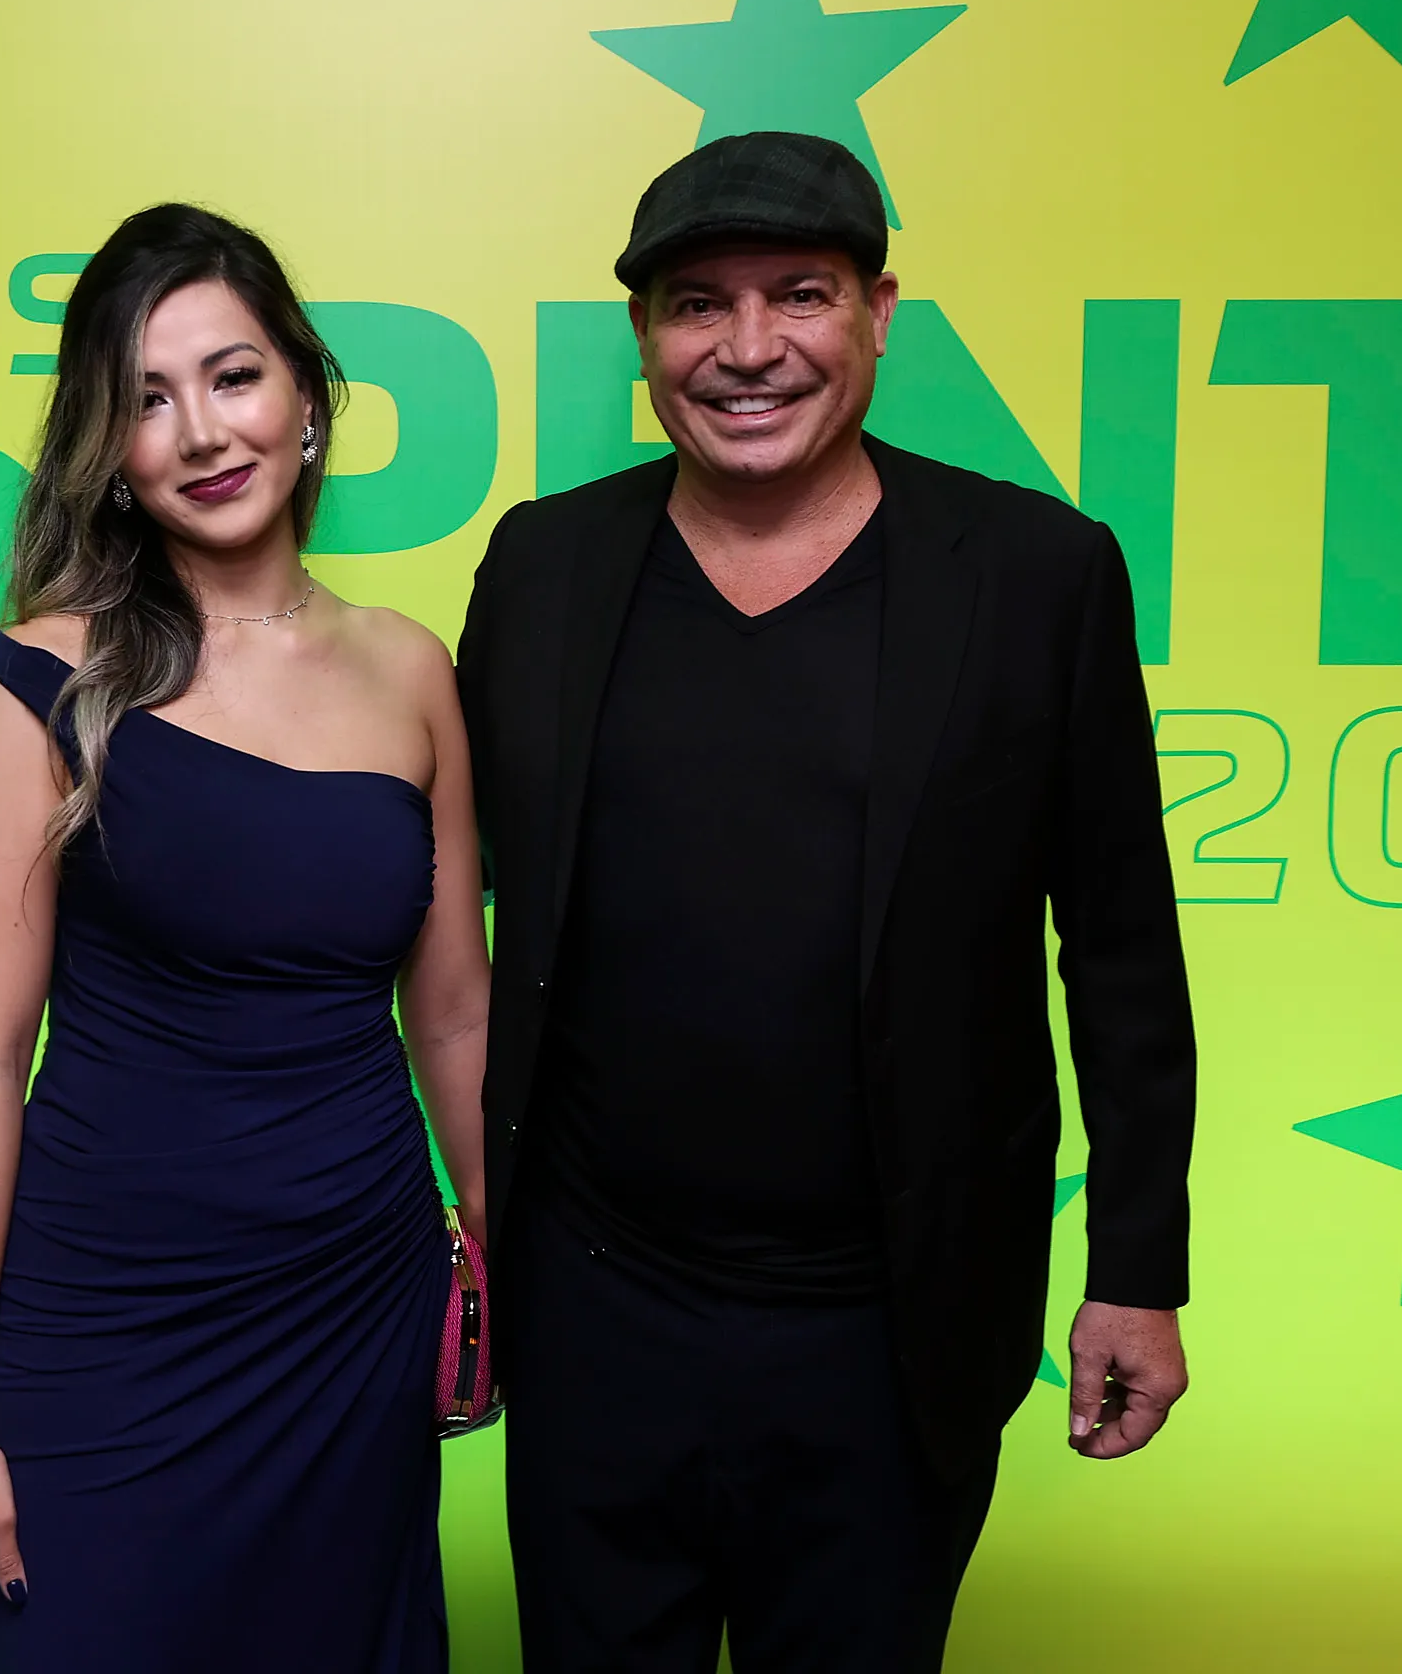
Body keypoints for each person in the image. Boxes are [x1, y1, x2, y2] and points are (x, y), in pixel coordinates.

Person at [456, 131, 1198, 1671]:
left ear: (879, 312)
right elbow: (438, 919)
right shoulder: (543, 567)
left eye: (799, 294)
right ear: (644, 337)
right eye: (694, 304)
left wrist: (1137, 1271)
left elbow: (1121, 950)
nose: (747, 349)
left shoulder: (1035, 574)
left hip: (895, 1331)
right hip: (597, 1318)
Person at [0, 203, 491, 1672]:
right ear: (110, 447)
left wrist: (496, 1251)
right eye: (145, 400)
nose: (200, 432)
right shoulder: (46, 679)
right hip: (108, 1326)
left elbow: (458, 1014)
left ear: (306, 392)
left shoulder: (411, 670)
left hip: (354, 1308)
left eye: (232, 377)